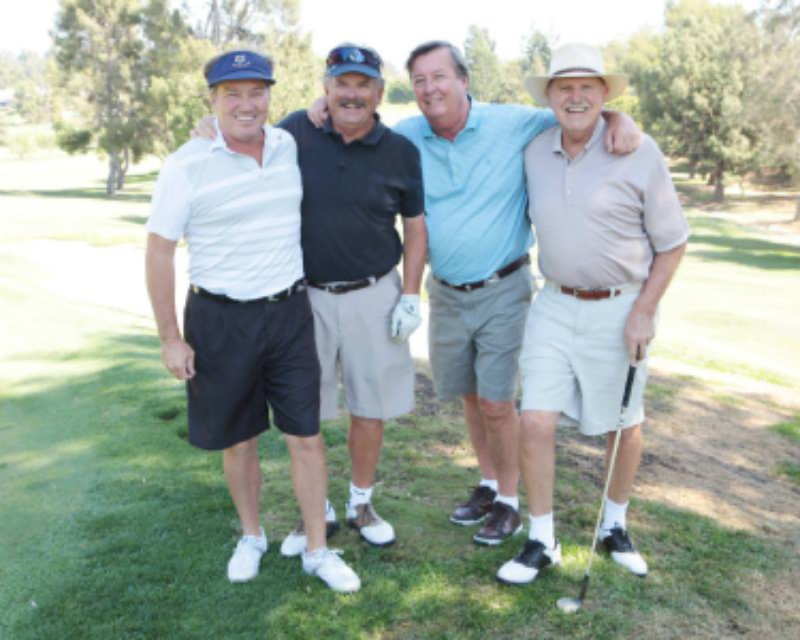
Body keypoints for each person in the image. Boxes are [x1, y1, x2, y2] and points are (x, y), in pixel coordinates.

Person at [392, 42, 640, 547]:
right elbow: (350, 132)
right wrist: (316, 109)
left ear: (464, 80)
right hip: (445, 291)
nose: (430, 89)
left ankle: (508, 501)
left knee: (497, 402)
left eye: (439, 76)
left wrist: (616, 115)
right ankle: (488, 484)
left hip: (503, 287)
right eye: (419, 80)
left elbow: (573, 109)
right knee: (468, 394)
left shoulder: (511, 123)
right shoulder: (405, 136)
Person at [195, 44, 427, 554]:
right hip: (304, 298)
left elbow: (415, 227)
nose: (351, 93)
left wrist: (411, 294)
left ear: (378, 93)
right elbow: (242, 131)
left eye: (363, 84)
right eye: (342, 82)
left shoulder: (400, 151)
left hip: (375, 293)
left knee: (371, 406)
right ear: (326, 87)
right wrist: (207, 128)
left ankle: (360, 502)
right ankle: (314, 510)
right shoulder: (295, 132)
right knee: (308, 410)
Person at [145, 50, 360, 593]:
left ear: (269, 95)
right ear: (212, 100)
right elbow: (159, 252)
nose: (246, 104)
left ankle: (317, 549)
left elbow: (345, 109)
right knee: (238, 441)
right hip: (219, 320)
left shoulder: (287, 143)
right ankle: (252, 535)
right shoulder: (186, 164)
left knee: (306, 437)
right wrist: (170, 338)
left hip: (289, 313)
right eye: (232, 94)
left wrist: (615, 118)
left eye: (256, 92)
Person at [496, 43, 689, 586]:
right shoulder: (534, 149)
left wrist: (645, 310)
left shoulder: (639, 150)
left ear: (605, 95)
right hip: (553, 302)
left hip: (621, 305)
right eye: (565, 87)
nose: (575, 96)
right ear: (550, 96)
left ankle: (615, 525)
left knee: (622, 425)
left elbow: (672, 244)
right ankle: (541, 538)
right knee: (534, 419)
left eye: (588, 86)